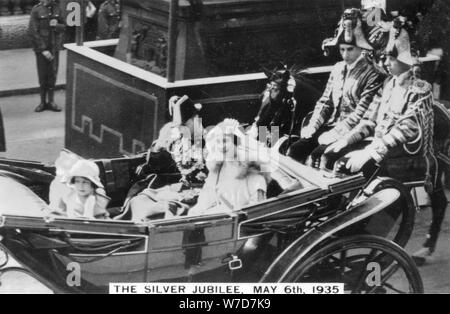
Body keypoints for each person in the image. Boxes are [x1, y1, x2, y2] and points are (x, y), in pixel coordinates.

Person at [328, 22, 447, 264]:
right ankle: (342, 220)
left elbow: (406, 127)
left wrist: (372, 150)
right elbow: (369, 119)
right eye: (384, 58)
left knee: (377, 173)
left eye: (390, 58)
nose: (385, 63)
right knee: (341, 161)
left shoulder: (419, 88)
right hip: (388, 150)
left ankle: (371, 235)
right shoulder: (388, 84)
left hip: (409, 154)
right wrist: (346, 140)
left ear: (405, 60)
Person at [287, 9, 385, 164]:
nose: (345, 54)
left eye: (350, 49)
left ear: (361, 48)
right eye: (342, 49)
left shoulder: (373, 73)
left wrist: (334, 134)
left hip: (355, 131)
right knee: (295, 149)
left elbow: (361, 114)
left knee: (318, 155)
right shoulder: (337, 68)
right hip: (330, 125)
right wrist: (313, 126)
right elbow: (325, 101)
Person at [129, 95, 207, 221]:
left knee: (161, 209)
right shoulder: (177, 138)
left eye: (184, 124)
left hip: (201, 194)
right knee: (141, 198)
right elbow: (156, 164)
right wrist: (159, 146)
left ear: (195, 119)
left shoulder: (210, 140)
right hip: (181, 187)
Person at [188, 119, 268, 217]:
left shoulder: (252, 173)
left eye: (225, 141)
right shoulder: (216, 173)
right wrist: (194, 213)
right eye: (218, 142)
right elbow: (204, 202)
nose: (221, 146)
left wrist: (230, 212)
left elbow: (258, 211)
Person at [29, 0, 65, 113]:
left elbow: (64, 27)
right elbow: (32, 31)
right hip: (42, 50)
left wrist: (57, 25)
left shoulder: (58, 8)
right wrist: (43, 49)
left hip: (54, 48)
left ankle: (51, 102)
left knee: (52, 75)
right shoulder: (36, 10)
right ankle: (42, 102)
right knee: (43, 75)